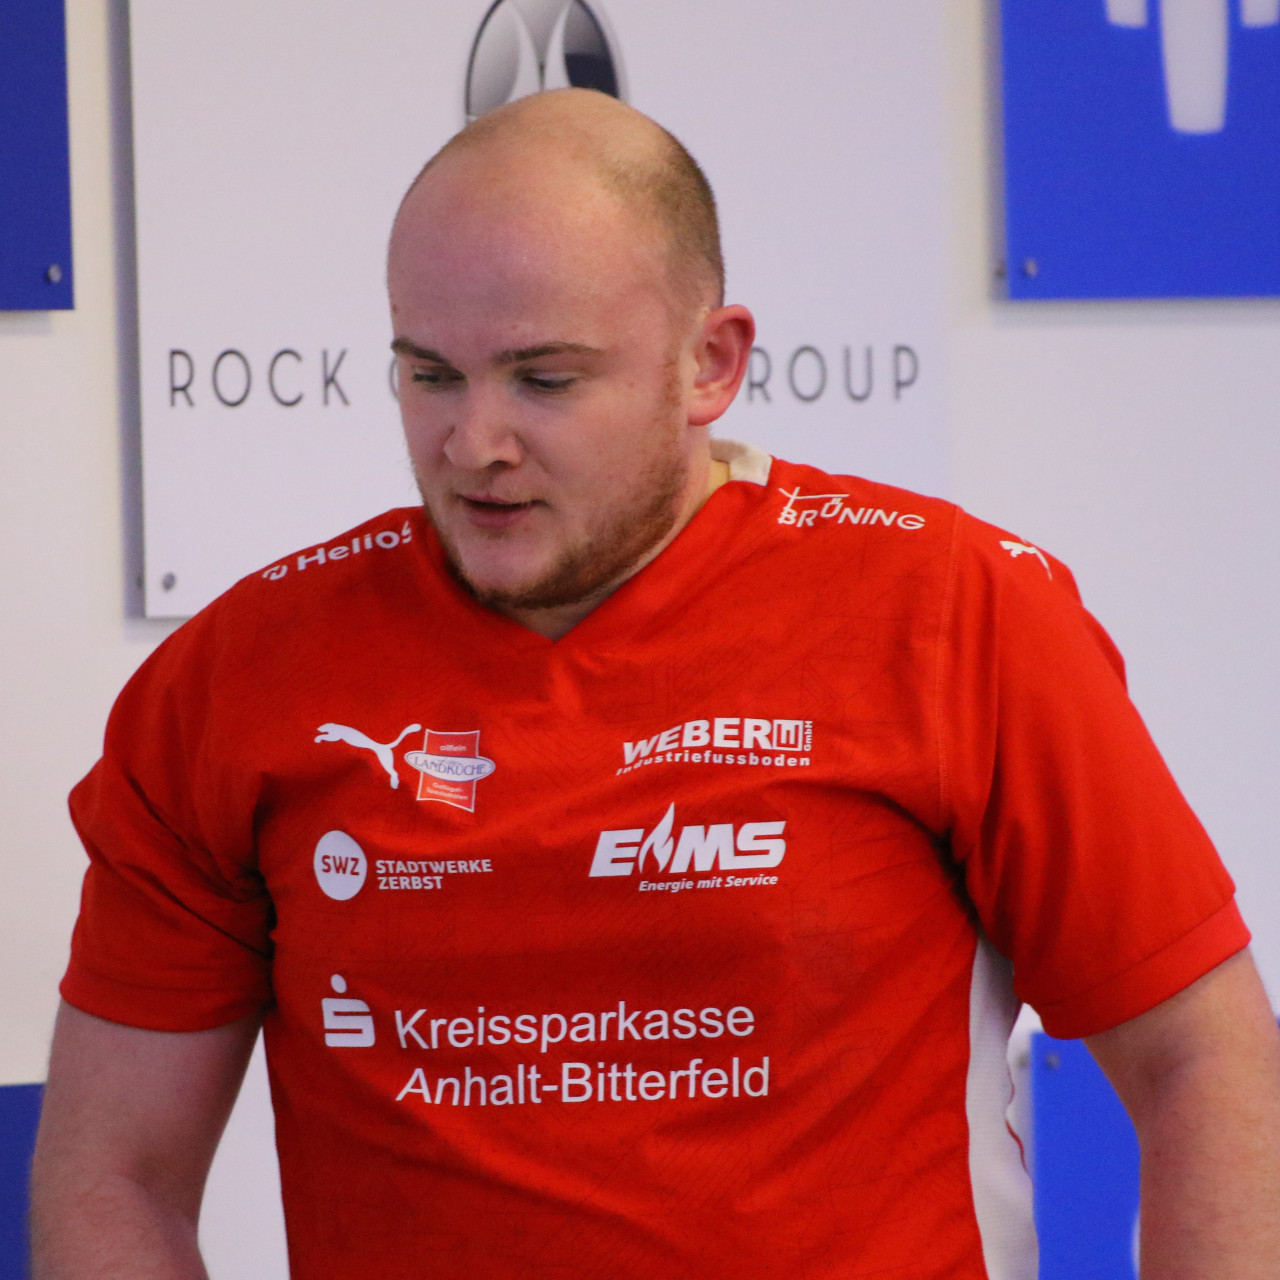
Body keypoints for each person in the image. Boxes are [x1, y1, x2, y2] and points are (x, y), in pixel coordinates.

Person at [31, 88, 1280, 1280]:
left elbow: (1202, 1060)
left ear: (709, 364)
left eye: (544, 379)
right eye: (430, 373)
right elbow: (111, 1171)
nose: (474, 443)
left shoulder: (955, 613)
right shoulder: (234, 680)